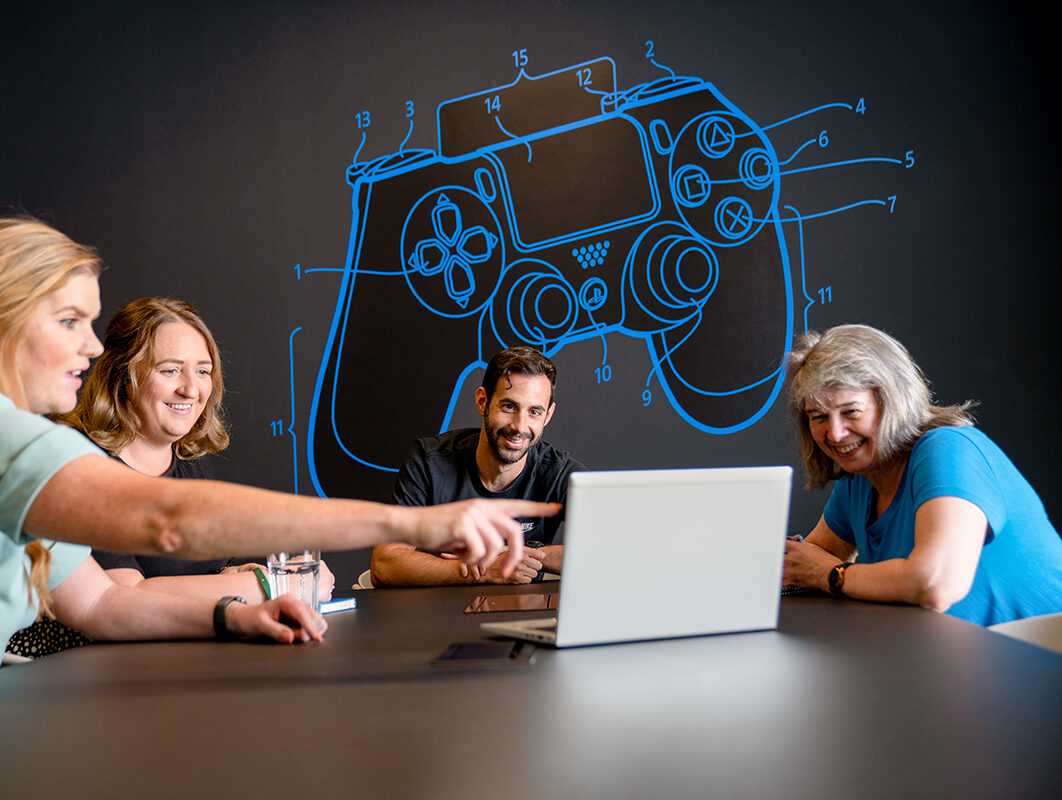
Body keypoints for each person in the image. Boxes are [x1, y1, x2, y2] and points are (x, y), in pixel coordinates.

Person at [0, 216, 551, 658]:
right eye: (69, 321)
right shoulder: (19, 445)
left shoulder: (28, 444)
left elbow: (100, 605)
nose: (92, 347)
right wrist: (410, 523)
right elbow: (170, 521)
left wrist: (233, 613)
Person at [6, 298, 337, 659]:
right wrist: (274, 585)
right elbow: (122, 594)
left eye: (203, 371)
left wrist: (234, 575)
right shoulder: (82, 465)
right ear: (123, 376)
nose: (190, 389)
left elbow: (191, 574)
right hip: (78, 671)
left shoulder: (187, 458)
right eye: (169, 370)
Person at [782, 324, 1062, 626]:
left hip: (1038, 657)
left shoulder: (949, 448)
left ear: (892, 402)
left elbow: (936, 585)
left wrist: (830, 574)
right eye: (819, 417)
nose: (835, 434)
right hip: (951, 655)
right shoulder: (860, 477)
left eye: (851, 412)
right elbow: (809, 558)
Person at [372, 346, 582, 587]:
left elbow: (615, 550)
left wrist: (517, 554)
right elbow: (385, 563)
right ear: (482, 401)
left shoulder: (560, 473)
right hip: (438, 615)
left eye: (534, 411)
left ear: (548, 415)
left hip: (523, 617)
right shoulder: (429, 461)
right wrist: (481, 570)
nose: (519, 425)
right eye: (508, 407)